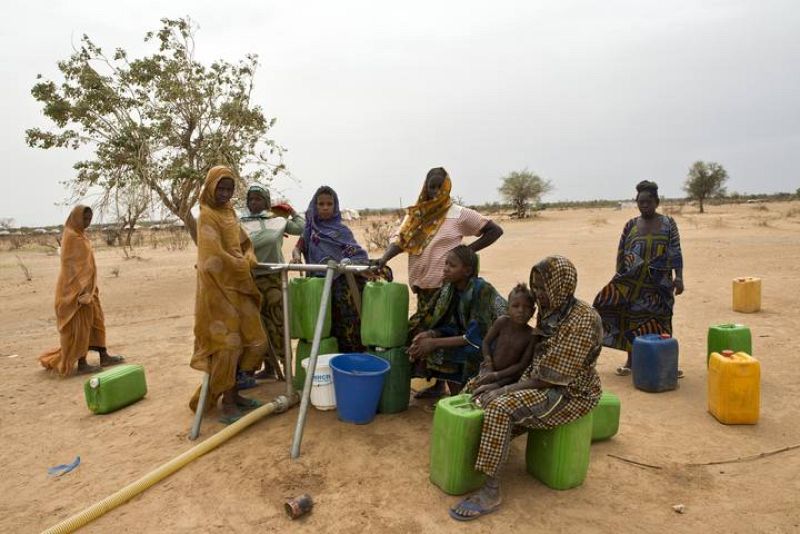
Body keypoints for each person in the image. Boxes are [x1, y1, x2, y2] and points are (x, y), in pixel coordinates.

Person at [449, 256, 602, 521]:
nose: (539, 295)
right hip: (537, 378)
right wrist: (496, 380)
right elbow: (532, 363)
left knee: (499, 407)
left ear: (562, 286)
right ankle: (479, 455)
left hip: (569, 392)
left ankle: (491, 491)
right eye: (537, 288)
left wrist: (504, 390)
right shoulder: (552, 310)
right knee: (476, 387)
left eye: (544, 288)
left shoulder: (582, 321)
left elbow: (552, 378)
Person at [189, 166, 268, 424]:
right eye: (220, 188)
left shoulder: (230, 213)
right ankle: (229, 401)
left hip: (240, 287)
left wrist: (247, 259)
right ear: (210, 188)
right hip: (217, 291)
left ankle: (235, 394)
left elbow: (244, 244)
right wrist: (239, 264)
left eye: (229, 189)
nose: (224, 194)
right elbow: (212, 257)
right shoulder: (207, 215)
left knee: (255, 341)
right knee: (227, 347)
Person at [377, 167, 503, 313]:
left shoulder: (458, 214)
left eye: (440, 187)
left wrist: (466, 252)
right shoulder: (415, 217)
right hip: (423, 289)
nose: (436, 191)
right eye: (432, 187)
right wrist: (384, 258)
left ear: (447, 188)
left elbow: (495, 231)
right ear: (426, 188)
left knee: (443, 330)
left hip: (448, 288)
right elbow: (401, 242)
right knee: (424, 331)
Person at [592, 180, 684, 376]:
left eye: (648, 202)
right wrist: (620, 282)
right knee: (632, 321)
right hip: (634, 284)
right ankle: (631, 362)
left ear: (657, 202)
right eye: (640, 202)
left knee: (663, 322)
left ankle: (667, 365)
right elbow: (621, 253)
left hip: (660, 285)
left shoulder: (669, 224)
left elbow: (676, 251)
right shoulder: (631, 225)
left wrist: (679, 277)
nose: (644, 206)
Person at [292, 186, 385, 353]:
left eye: (329, 204)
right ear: (315, 206)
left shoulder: (342, 231)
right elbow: (298, 247)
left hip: (343, 285)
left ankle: (351, 358)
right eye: (321, 204)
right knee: (324, 324)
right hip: (319, 285)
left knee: (348, 322)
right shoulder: (309, 230)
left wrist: (353, 263)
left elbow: (355, 252)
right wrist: (296, 255)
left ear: (335, 206)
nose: (325, 207)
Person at [407, 245, 507, 397]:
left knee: (460, 352)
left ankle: (467, 396)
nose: (446, 268)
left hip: (497, 342)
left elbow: (476, 336)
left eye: (452, 265)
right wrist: (430, 334)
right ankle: (456, 397)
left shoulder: (481, 290)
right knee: (431, 346)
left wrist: (433, 343)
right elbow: (451, 325)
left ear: (467, 271)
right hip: (473, 338)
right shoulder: (451, 289)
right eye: (445, 263)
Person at [39, 206, 124, 376]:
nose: (87, 223)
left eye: (89, 220)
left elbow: (87, 265)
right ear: (76, 218)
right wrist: (80, 292)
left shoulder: (80, 235)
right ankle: (82, 362)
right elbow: (72, 268)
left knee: (97, 322)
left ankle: (103, 355)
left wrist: (90, 289)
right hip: (74, 292)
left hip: (90, 290)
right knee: (80, 328)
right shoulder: (71, 237)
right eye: (84, 219)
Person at [240, 184, 304, 380]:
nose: (254, 203)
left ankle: (287, 369)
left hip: (274, 279)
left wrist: (291, 211)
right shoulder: (240, 223)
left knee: (278, 324)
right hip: (249, 279)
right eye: (250, 199)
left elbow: (302, 226)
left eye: (258, 199)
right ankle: (268, 368)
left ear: (266, 202)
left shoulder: (278, 221)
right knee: (258, 326)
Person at [464, 284, 538, 393]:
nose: (521, 310)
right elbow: (486, 342)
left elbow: (522, 365)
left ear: (533, 311)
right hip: (489, 368)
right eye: (515, 306)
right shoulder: (502, 322)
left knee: (487, 396)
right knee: (472, 390)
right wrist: (489, 365)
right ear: (507, 308)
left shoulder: (531, 335)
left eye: (526, 307)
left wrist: (497, 375)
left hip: (508, 378)